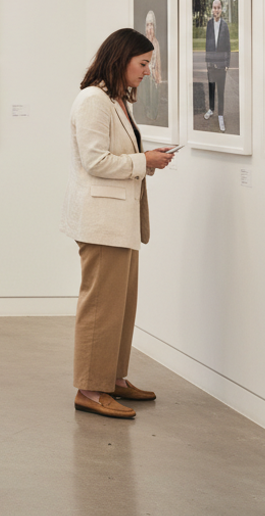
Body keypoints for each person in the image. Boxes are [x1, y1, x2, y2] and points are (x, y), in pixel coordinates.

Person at [62, 28, 175, 419]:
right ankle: (90, 390)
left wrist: (146, 157)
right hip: (101, 221)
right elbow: (95, 161)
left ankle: (113, 379)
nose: (147, 71)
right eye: (143, 63)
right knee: (100, 307)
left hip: (119, 220)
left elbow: (113, 154)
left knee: (121, 307)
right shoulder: (93, 100)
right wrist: (144, 162)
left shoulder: (115, 100)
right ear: (121, 59)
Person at [203, 0, 230, 133]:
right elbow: (207, 45)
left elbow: (228, 46)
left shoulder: (225, 26)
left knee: (221, 91)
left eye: (218, 7)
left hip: (221, 64)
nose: (216, 10)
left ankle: (220, 116)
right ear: (212, 9)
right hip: (211, 64)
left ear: (221, 9)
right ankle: (211, 109)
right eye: (214, 8)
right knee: (211, 88)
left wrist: (227, 64)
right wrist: (207, 62)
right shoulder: (209, 24)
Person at [138, 10, 162, 122]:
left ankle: (153, 113)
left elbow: (158, 61)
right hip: (144, 75)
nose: (149, 28)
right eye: (148, 25)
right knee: (145, 94)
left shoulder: (156, 43)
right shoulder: (143, 42)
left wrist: (158, 74)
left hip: (153, 74)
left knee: (154, 95)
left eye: (151, 25)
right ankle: (146, 110)